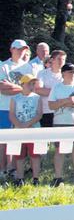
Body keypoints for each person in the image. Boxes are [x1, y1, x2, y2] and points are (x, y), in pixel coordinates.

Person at [0, 39, 33, 176]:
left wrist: (13, 87)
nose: (21, 52)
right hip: (4, 107)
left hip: (21, 108)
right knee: (2, 141)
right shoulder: (3, 66)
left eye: (23, 49)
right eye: (18, 49)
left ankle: (12, 168)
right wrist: (22, 88)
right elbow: (2, 88)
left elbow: (31, 88)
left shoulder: (28, 67)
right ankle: (2, 169)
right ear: (12, 49)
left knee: (16, 140)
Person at [9, 73, 42, 186]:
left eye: (33, 83)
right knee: (19, 155)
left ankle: (36, 178)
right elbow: (12, 114)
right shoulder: (15, 98)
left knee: (35, 155)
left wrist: (28, 124)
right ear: (23, 84)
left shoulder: (37, 98)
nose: (32, 86)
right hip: (18, 131)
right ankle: (20, 178)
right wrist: (19, 125)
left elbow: (39, 114)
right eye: (29, 84)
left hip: (34, 130)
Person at [36, 50, 66, 127]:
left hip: (62, 112)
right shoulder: (42, 73)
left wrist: (48, 91)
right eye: (59, 59)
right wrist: (59, 93)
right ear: (52, 60)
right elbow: (38, 89)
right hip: (46, 111)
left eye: (63, 59)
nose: (61, 62)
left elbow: (68, 93)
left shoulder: (66, 75)